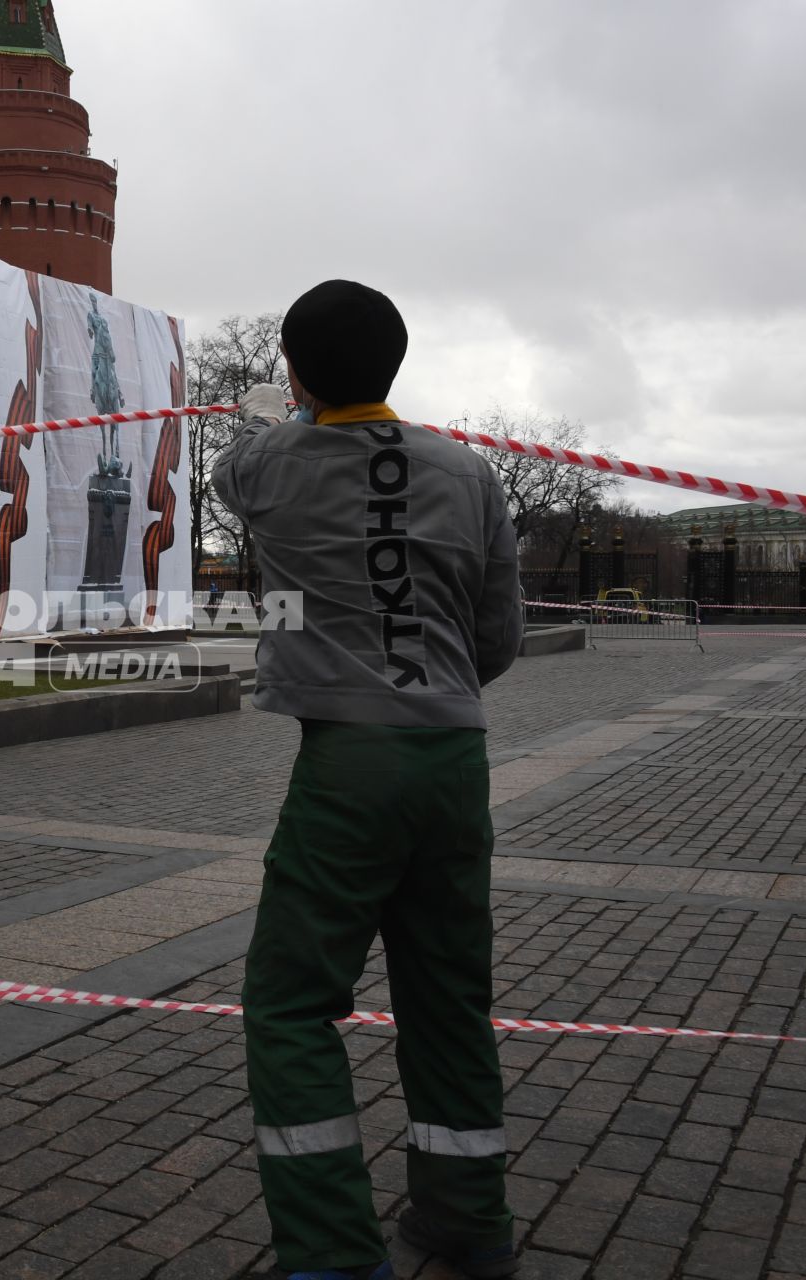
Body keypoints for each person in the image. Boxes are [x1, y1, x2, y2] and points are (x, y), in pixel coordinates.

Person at [211, 280, 524, 1280]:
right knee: (447, 995)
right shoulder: (469, 471)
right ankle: (468, 1218)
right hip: (453, 755)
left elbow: (233, 467)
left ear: (297, 373)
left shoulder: (267, 461)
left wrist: (272, 410)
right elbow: (498, 637)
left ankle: (333, 1252)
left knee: (292, 1003)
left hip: (349, 760)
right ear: (395, 363)